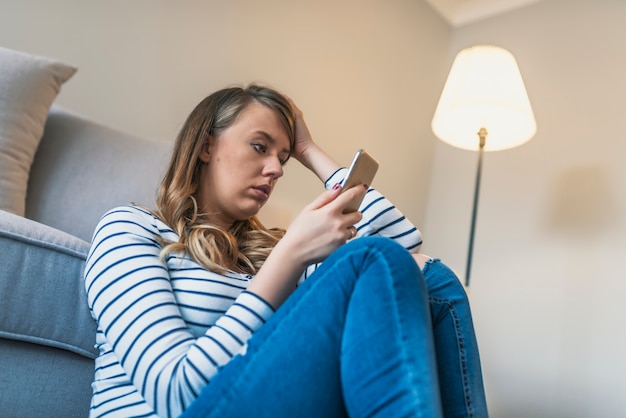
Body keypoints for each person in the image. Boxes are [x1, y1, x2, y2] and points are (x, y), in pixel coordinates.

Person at [84, 84, 488, 418]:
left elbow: (402, 250)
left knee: (437, 282)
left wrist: (309, 149)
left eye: (284, 157)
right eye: (260, 147)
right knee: (368, 259)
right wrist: (289, 257)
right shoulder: (131, 229)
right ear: (206, 147)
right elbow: (174, 393)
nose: (277, 169)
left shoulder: (269, 253)